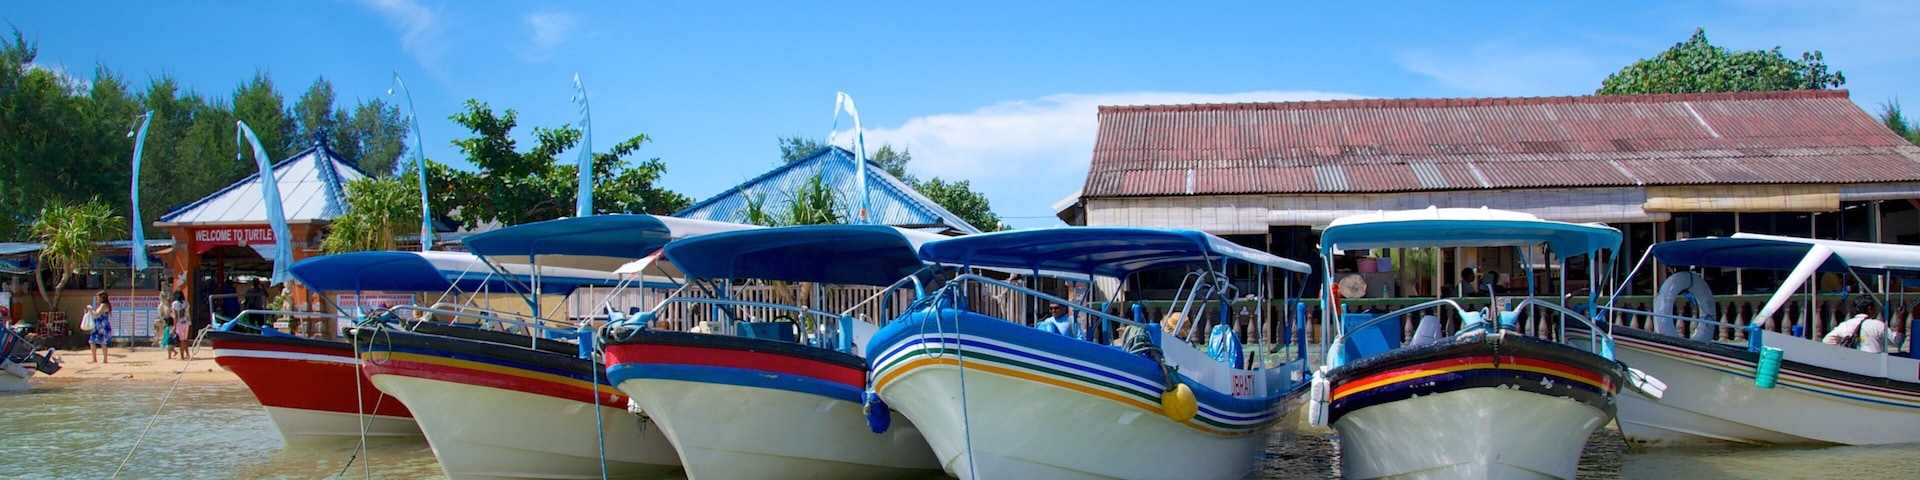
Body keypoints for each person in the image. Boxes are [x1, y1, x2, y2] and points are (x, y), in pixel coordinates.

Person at [1825, 297, 1899, 353]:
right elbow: (1896, 342)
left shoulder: (1845, 325)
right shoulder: (1876, 325)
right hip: (1873, 364)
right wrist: (1901, 320)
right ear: (1870, 309)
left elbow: (1827, 340)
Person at [85, 292, 113, 363]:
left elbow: (97, 314)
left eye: (98, 297)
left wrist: (91, 309)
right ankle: (97, 359)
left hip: (101, 326)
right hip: (99, 325)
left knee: (102, 342)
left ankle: (103, 359)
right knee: (93, 341)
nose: (97, 299)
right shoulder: (103, 305)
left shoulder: (103, 305)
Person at [170, 290, 191, 360]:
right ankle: (187, 354)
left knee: (181, 340)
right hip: (187, 322)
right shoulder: (186, 303)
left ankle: (182, 356)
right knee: (184, 339)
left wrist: (174, 326)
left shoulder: (175, 303)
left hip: (179, 323)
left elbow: (176, 316)